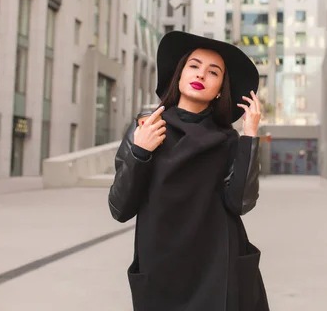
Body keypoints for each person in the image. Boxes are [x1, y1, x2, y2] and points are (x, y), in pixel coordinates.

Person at [108, 31, 270, 311]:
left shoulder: (229, 140)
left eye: (213, 72)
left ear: (220, 88)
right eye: (194, 66)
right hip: (161, 268)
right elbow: (120, 208)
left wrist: (250, 137)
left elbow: (241, 203)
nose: (201, 75)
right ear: (179, 74)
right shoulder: (147, 129)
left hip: (217, 268)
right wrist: (140, 151)